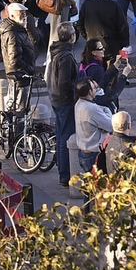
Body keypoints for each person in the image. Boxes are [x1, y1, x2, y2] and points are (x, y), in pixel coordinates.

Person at [44, 18, 79, 188]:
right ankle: (65, 174)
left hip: (56, 98)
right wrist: (74, 96)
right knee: (66, 136)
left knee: (61, 135)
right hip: (63, 100)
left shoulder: (58, 51)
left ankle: (63, 170)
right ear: (71, 36)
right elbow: (65, 82)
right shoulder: (65, 55)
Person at [73, 77, 115, 178]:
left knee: (91, 185)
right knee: (98, 187)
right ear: (89, 92)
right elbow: (110, 125)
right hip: (93, 154)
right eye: (94, 87)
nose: (96, 89)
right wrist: (106, 110)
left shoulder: (79, 103)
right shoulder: (91, 108)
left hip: (85, 152)